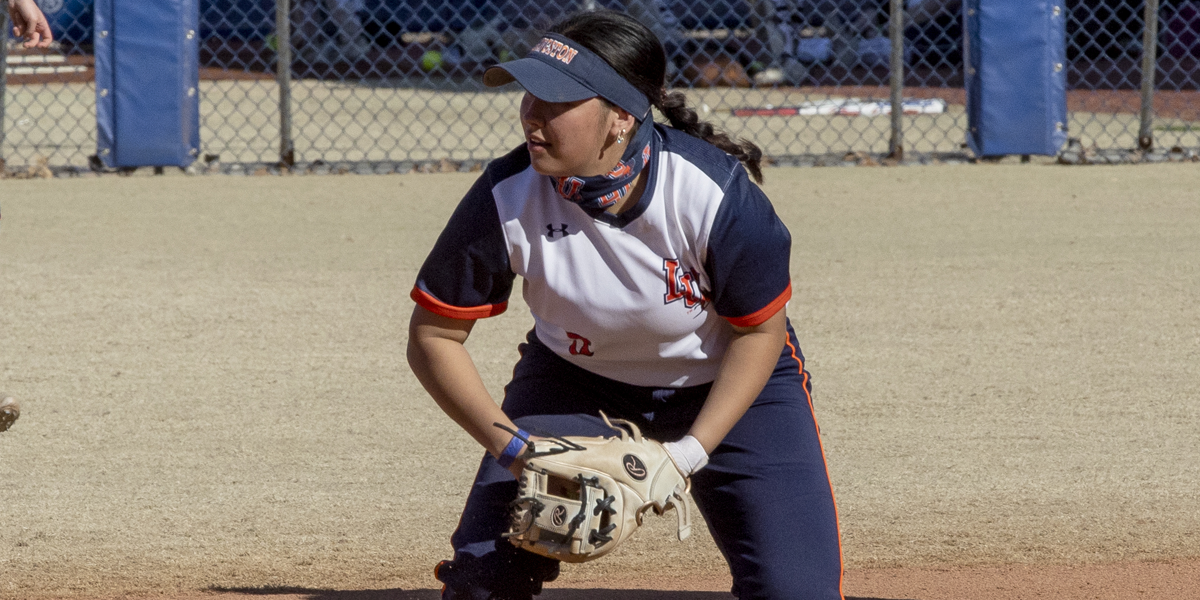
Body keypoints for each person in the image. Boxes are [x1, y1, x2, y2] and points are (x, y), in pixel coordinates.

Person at [407, 9, 843, 600]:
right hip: (574, 383)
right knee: (483, 584)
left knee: (797, 593)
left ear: (620, 117)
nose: (532, 114)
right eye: (528, 94)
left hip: (730, 387)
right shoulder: (506, 195)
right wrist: (516, 451)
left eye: (556, 101)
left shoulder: (712, 194)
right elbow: (434, 337)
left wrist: (688, 454)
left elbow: (760, 335)